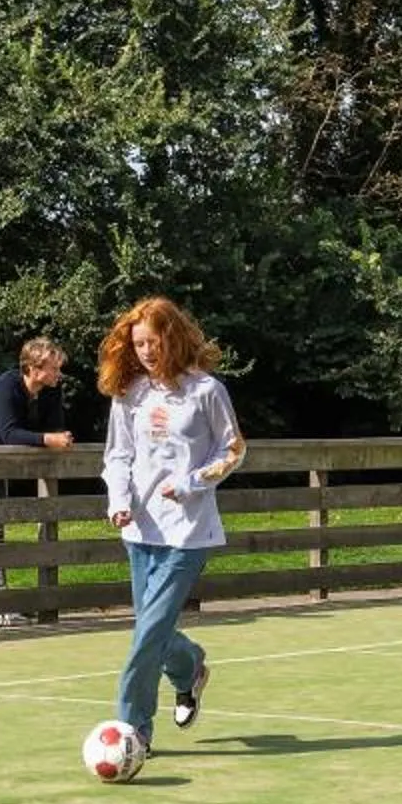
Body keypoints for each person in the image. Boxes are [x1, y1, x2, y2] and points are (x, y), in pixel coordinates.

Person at [100, 297, 246, 755]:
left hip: (188, 531)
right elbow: (118, 455)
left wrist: (189, 484)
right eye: (137, 343)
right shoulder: (130, 394)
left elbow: (233, 451)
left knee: (147, 634)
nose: (144, 351)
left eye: (152, 341)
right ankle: (189, 669)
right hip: (139, 530)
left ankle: (133, 729)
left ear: (173, 337)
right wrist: (119, 502)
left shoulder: (206, 391)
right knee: (153, 629)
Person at [0, 337, 76, 626]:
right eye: (53, 368)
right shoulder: (8, 384)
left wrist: (57, 437)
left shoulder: (51, 391)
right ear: (33, 368)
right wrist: (46, 439)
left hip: (0, 463)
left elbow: (54, 426)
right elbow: (8, 431)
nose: (58, 373)